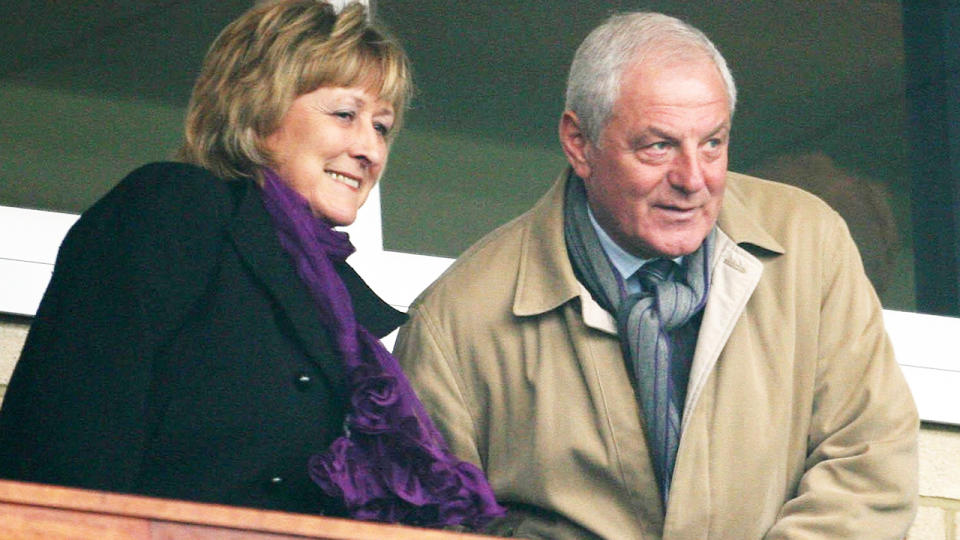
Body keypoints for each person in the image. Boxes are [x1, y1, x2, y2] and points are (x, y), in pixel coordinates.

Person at [393, 11, 918, 539]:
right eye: (658, 146)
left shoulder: (812, 243)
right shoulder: (455, 324)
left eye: (713, 142)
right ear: (579, 143)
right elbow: (429, 526)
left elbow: (869, 461)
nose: (693, 179)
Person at [0, 0, 503, 527]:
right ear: (258, 109)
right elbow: (66, 443)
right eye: (345, 115)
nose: (369, 150)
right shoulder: (175, 208)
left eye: (381, 127)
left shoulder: (330, 290)